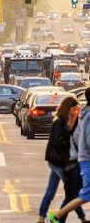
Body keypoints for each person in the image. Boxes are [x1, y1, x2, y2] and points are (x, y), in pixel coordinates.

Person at [38, 95, 87, 223]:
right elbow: (59, 142)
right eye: (74, 108)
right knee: (72, 193)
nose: (76, 111)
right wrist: (70, 131)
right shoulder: (59, 122)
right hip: (60, 162)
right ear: (68, 108)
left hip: (56, 162)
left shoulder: (67, 121)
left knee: (51, 192)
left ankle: (41, 218)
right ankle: (57, 219)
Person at [51, 87, 90, 222]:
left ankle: (57, 219)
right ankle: (55, 218)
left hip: (78, 160)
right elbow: (88, 140)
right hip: (80, 161)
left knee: (75, 195)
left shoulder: (82, 115)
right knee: (79, 195)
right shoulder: (85, 116)